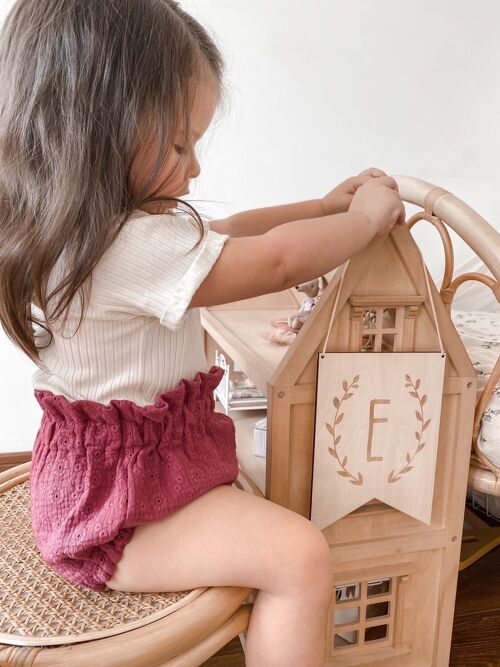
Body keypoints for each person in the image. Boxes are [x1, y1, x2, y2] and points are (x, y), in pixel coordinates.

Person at [0, 1, 405, 665]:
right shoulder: (122, 248)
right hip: (120, 518)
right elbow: (271, 259)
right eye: (182, 144)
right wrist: (361, 223)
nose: (195, 170)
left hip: (110, 484)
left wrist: (322, 205)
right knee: (301, 556)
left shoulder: (79, 228)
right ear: (98, 126)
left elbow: (230, 231)